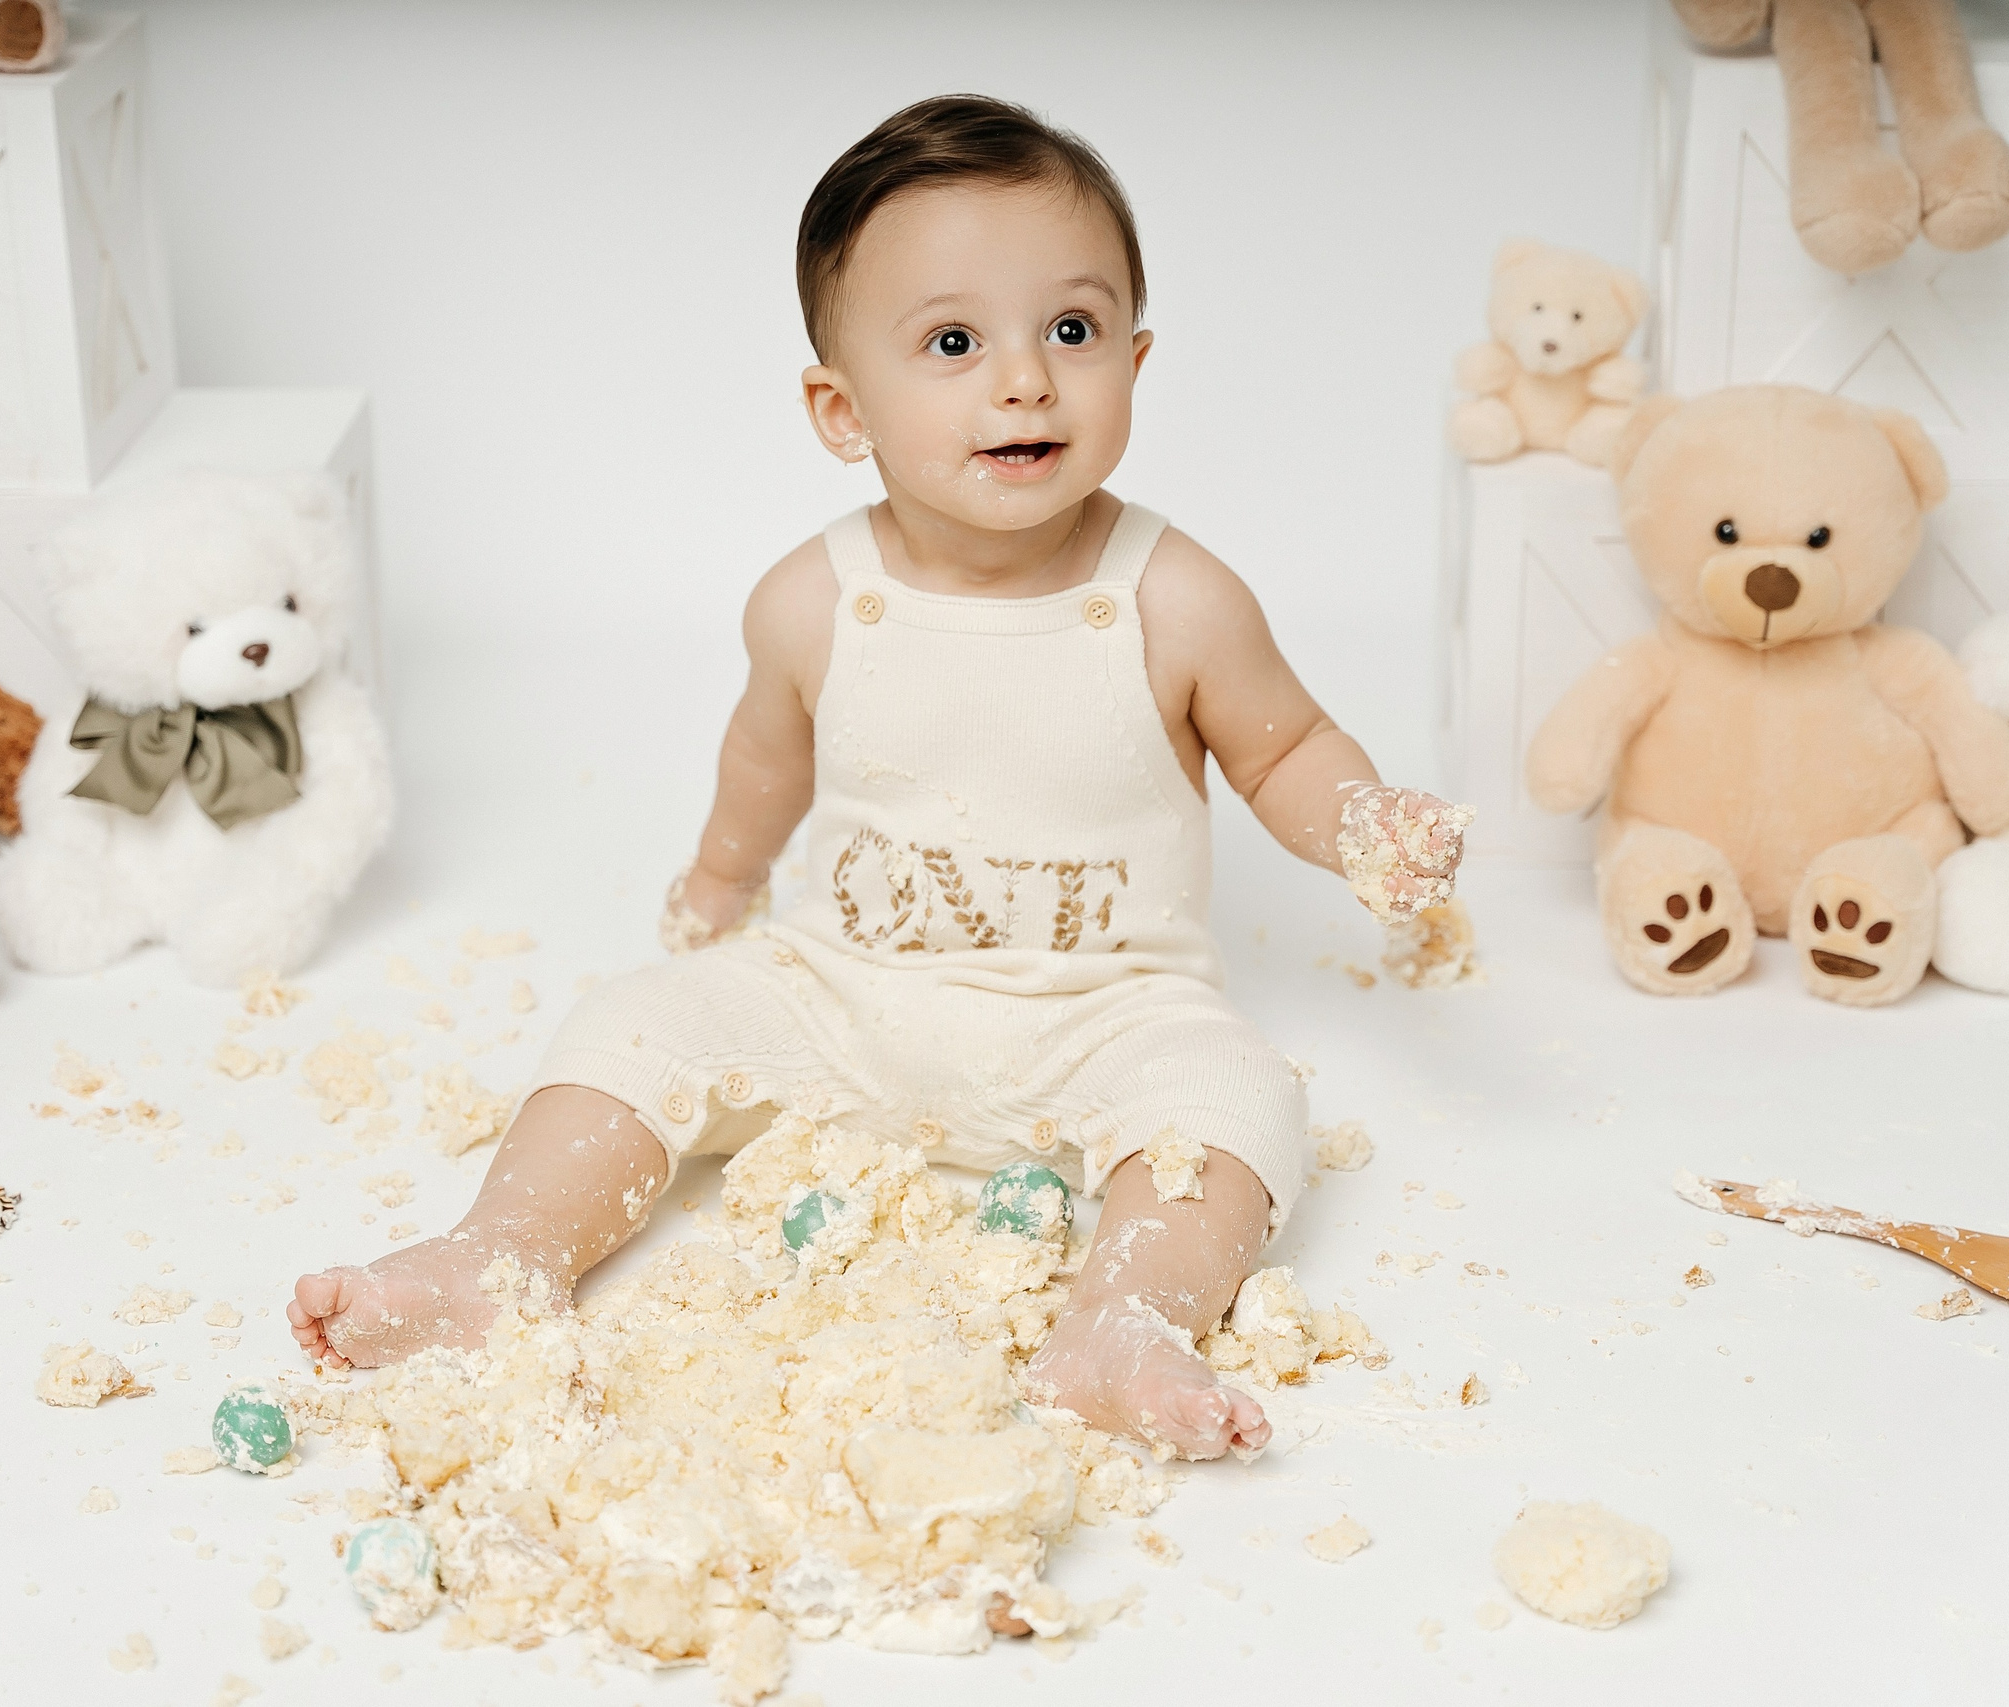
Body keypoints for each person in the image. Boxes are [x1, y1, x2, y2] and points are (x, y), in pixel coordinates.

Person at [289, 94, 1466, 1460]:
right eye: (954, 343)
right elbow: (763, 755)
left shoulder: (1176, 598)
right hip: (843, 994)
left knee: (1239, 1105)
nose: (1024, 380)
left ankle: (1121, 1324)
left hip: (1105, 1011)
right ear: (840, 411)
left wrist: (1365, 819)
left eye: (1072, 332)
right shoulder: (814, 600)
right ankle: (497, 1258)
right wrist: (723, 878)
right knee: (635, 1025)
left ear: (1137, 360)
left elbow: (1286, 749)